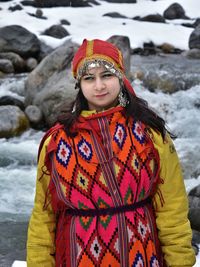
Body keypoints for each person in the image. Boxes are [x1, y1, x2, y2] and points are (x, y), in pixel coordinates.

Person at [26, 38, 196, 267]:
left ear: (120, 77)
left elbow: (172, 209)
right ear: (79, 84)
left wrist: (181, 263)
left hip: (143, 257)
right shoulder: (58, 142)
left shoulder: (149, 134)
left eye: (106, 75)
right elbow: (44, 218)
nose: (99, 86)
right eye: (89, 78)